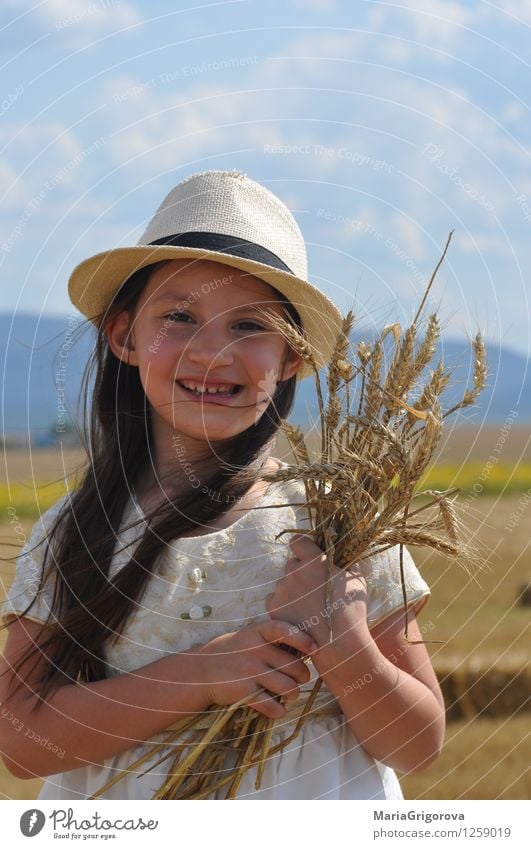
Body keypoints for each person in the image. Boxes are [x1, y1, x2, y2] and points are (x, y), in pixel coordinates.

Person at [0, 169, 445, 800]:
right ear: (124, 337)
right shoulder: (77, 531)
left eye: (249, 326)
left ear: (291, 356)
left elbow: (418, 744)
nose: (212, 352)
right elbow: (21, 740)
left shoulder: (337, 524)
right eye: (179, 317)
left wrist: (345, 640)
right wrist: (202, 675)